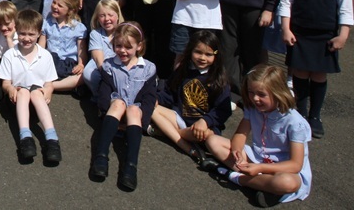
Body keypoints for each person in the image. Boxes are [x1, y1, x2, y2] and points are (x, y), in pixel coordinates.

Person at [279, 0, 352, 139]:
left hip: (325, 34)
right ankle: (300, 114)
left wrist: (343, 34)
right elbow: (286, 2)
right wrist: (285, 28)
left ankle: (315, 116)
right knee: (300, 73)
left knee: (319, 75)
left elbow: (346, 7)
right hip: (299, 32)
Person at [205, 65, 312, 208]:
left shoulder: (295, 123)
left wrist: (259, 167)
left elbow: (295, 165)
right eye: (251, 92)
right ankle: (263, 185)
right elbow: (240, 135)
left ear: (277, 93)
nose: (255, 98)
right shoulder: (253, 108)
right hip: (258, 158)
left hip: (283, 169)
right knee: (213, 141)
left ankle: (236, 177)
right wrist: (237, 151)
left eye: (262, 94)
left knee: (287, 183)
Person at [89, 22, 157, 191]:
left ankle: (131, 166)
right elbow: (104, 93)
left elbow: (149, 98)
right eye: (118, 46)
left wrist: (144, 120)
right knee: (118, 102)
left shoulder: (148, 68)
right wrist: (105, 111)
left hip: (135, 115)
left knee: (133, 108)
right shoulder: (109, 66)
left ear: (139, 46)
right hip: (114, 111)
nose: (123, 51)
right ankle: (101, 156)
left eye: (128, 47)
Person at [150, 30, 231, 168]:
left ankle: (170, 133)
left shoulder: (219, 79)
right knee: (151, 107)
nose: (202, 58)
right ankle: (185, 145)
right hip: (179, 119)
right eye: (198, 52)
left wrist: (205, 121)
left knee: (207, 135)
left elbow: (223, 110)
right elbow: (170, 94)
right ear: (190, 50)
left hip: (202, 128)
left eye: (208, 54)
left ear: (216, 55)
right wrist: (157, 98)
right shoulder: (183, 69)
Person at [0, 9, 62, 162]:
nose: (26, 38)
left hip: (37, 104)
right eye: (22, 34)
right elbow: (5, 82)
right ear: (16, 32)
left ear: (39, 33)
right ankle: (25, 138)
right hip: (16, 102)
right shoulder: (10, 55)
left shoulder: (45, 55)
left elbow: (49, 82)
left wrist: (48, 90)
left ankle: (52, 139)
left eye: (31, 34)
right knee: (24, 92)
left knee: (35, 92)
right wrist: (11, 89)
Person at [40, 0, 87, 92]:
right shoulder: (46, 24)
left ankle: (52, 85)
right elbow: (41, 47)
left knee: (84, 75)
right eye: (54, 2)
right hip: (51, 61)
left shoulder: (78, 28)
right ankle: (64, 85)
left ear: (70, 10)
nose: (55, 7)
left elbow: (81, 50)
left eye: (60, 6)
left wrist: (81, 64)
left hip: (68, 63)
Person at [82, 0, 123, 97]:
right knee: (88, 73)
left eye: (110, 15)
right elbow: (97, 57)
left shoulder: (123, 33)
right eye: (102, 15)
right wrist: (105, 74)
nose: (107, 19)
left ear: (118, 16)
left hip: (119, 63)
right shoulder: (95, 33)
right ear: (97, 18)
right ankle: (100, 96)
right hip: (101, 65)